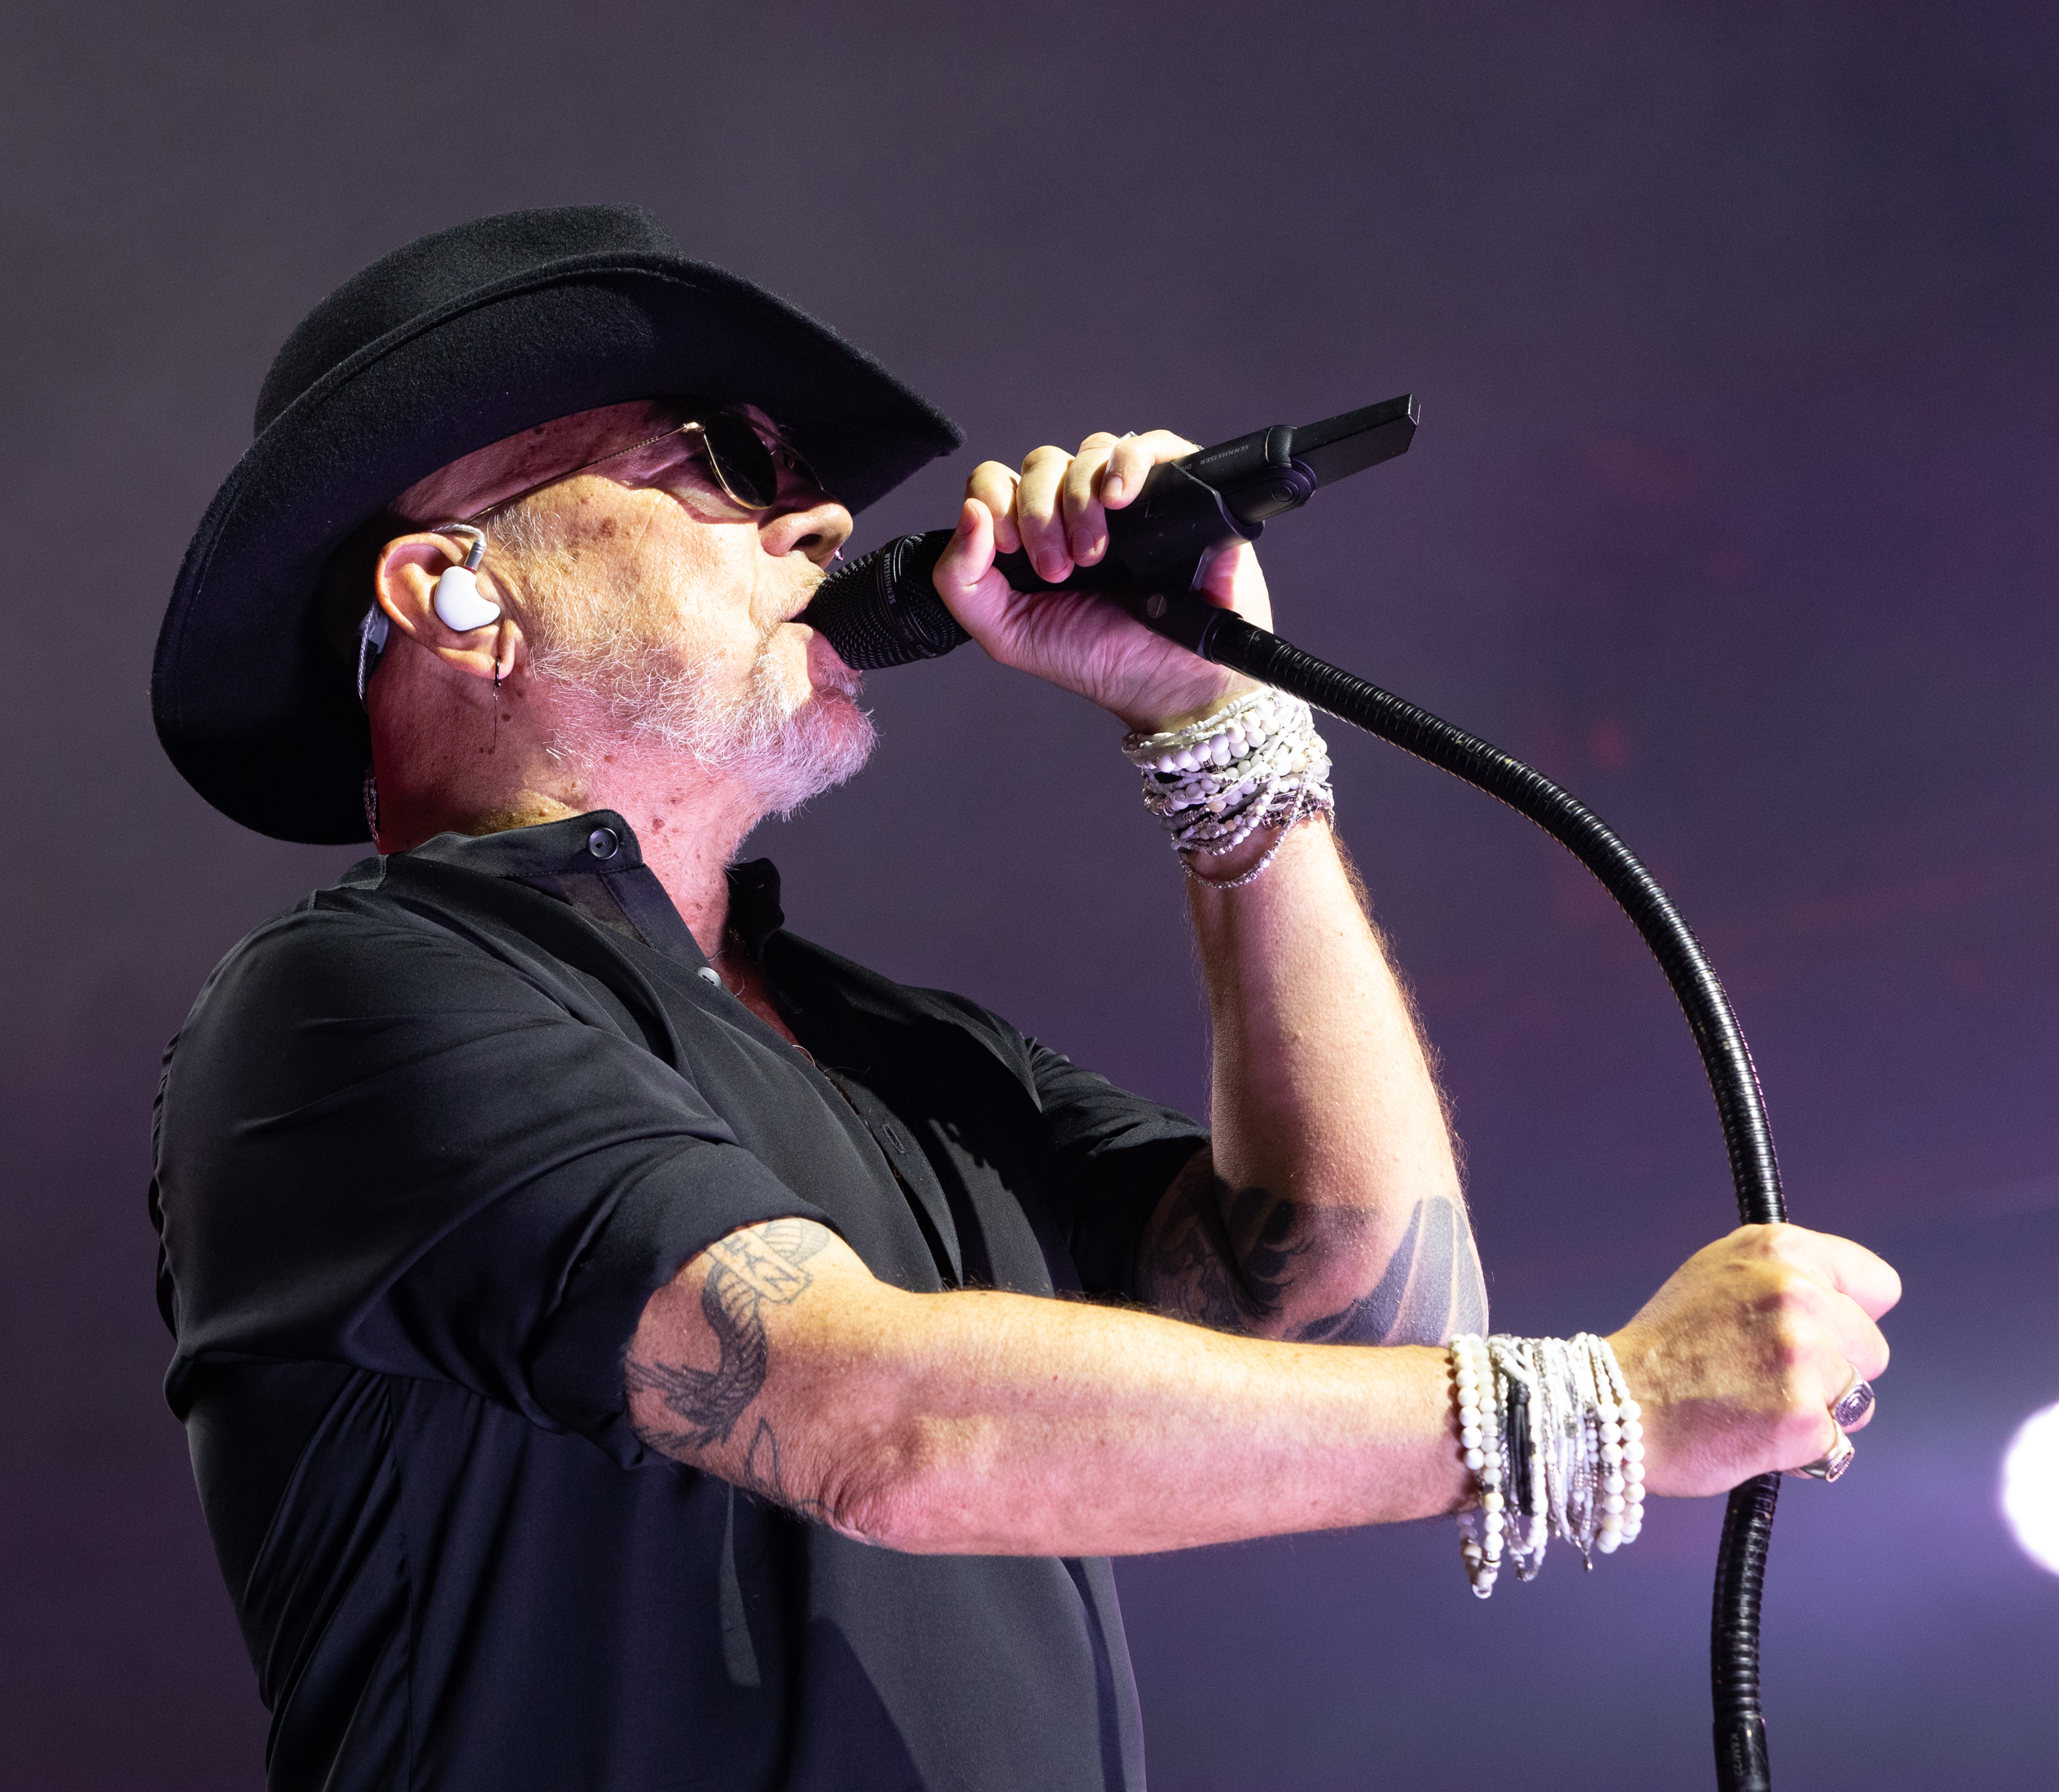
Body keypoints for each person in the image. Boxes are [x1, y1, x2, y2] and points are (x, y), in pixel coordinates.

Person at [148, 204, 1898, 1792]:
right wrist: (1599, 1411)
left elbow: (1360, 1321)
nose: (822, 518)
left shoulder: (895, 1050)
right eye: (723, 462)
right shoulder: (349, 1002)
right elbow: (870, 1420)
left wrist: (1218, 726)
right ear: (455, 590)